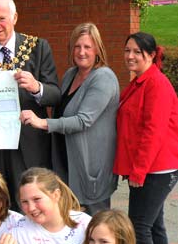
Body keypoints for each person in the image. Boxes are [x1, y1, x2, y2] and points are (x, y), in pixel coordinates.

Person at [0, 0, 60, 210]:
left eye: (2, 18)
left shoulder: (38, 47)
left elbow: (55, 94)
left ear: (14, 17)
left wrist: (37, 87)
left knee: (30, 202)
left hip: (29, 142)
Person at [20, 22, 119, 215]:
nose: (82, 52)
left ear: (98, 49)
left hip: (89, 169)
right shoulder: (70, 74)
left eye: (87, 47)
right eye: (77, 46)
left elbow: (83, 120)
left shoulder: (103, 78)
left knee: (95, 228)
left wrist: (42, 123)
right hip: (66, 164)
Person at [113, 32, 178, 244]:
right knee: (154, 227)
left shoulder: (156, 85)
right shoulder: (140, 83)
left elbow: (152, 132)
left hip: (156, 169)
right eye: (127, 50)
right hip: (152, 167)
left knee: (139, 228)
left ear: (151, 55)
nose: (130, 56)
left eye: (137, 52)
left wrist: (138, 171)